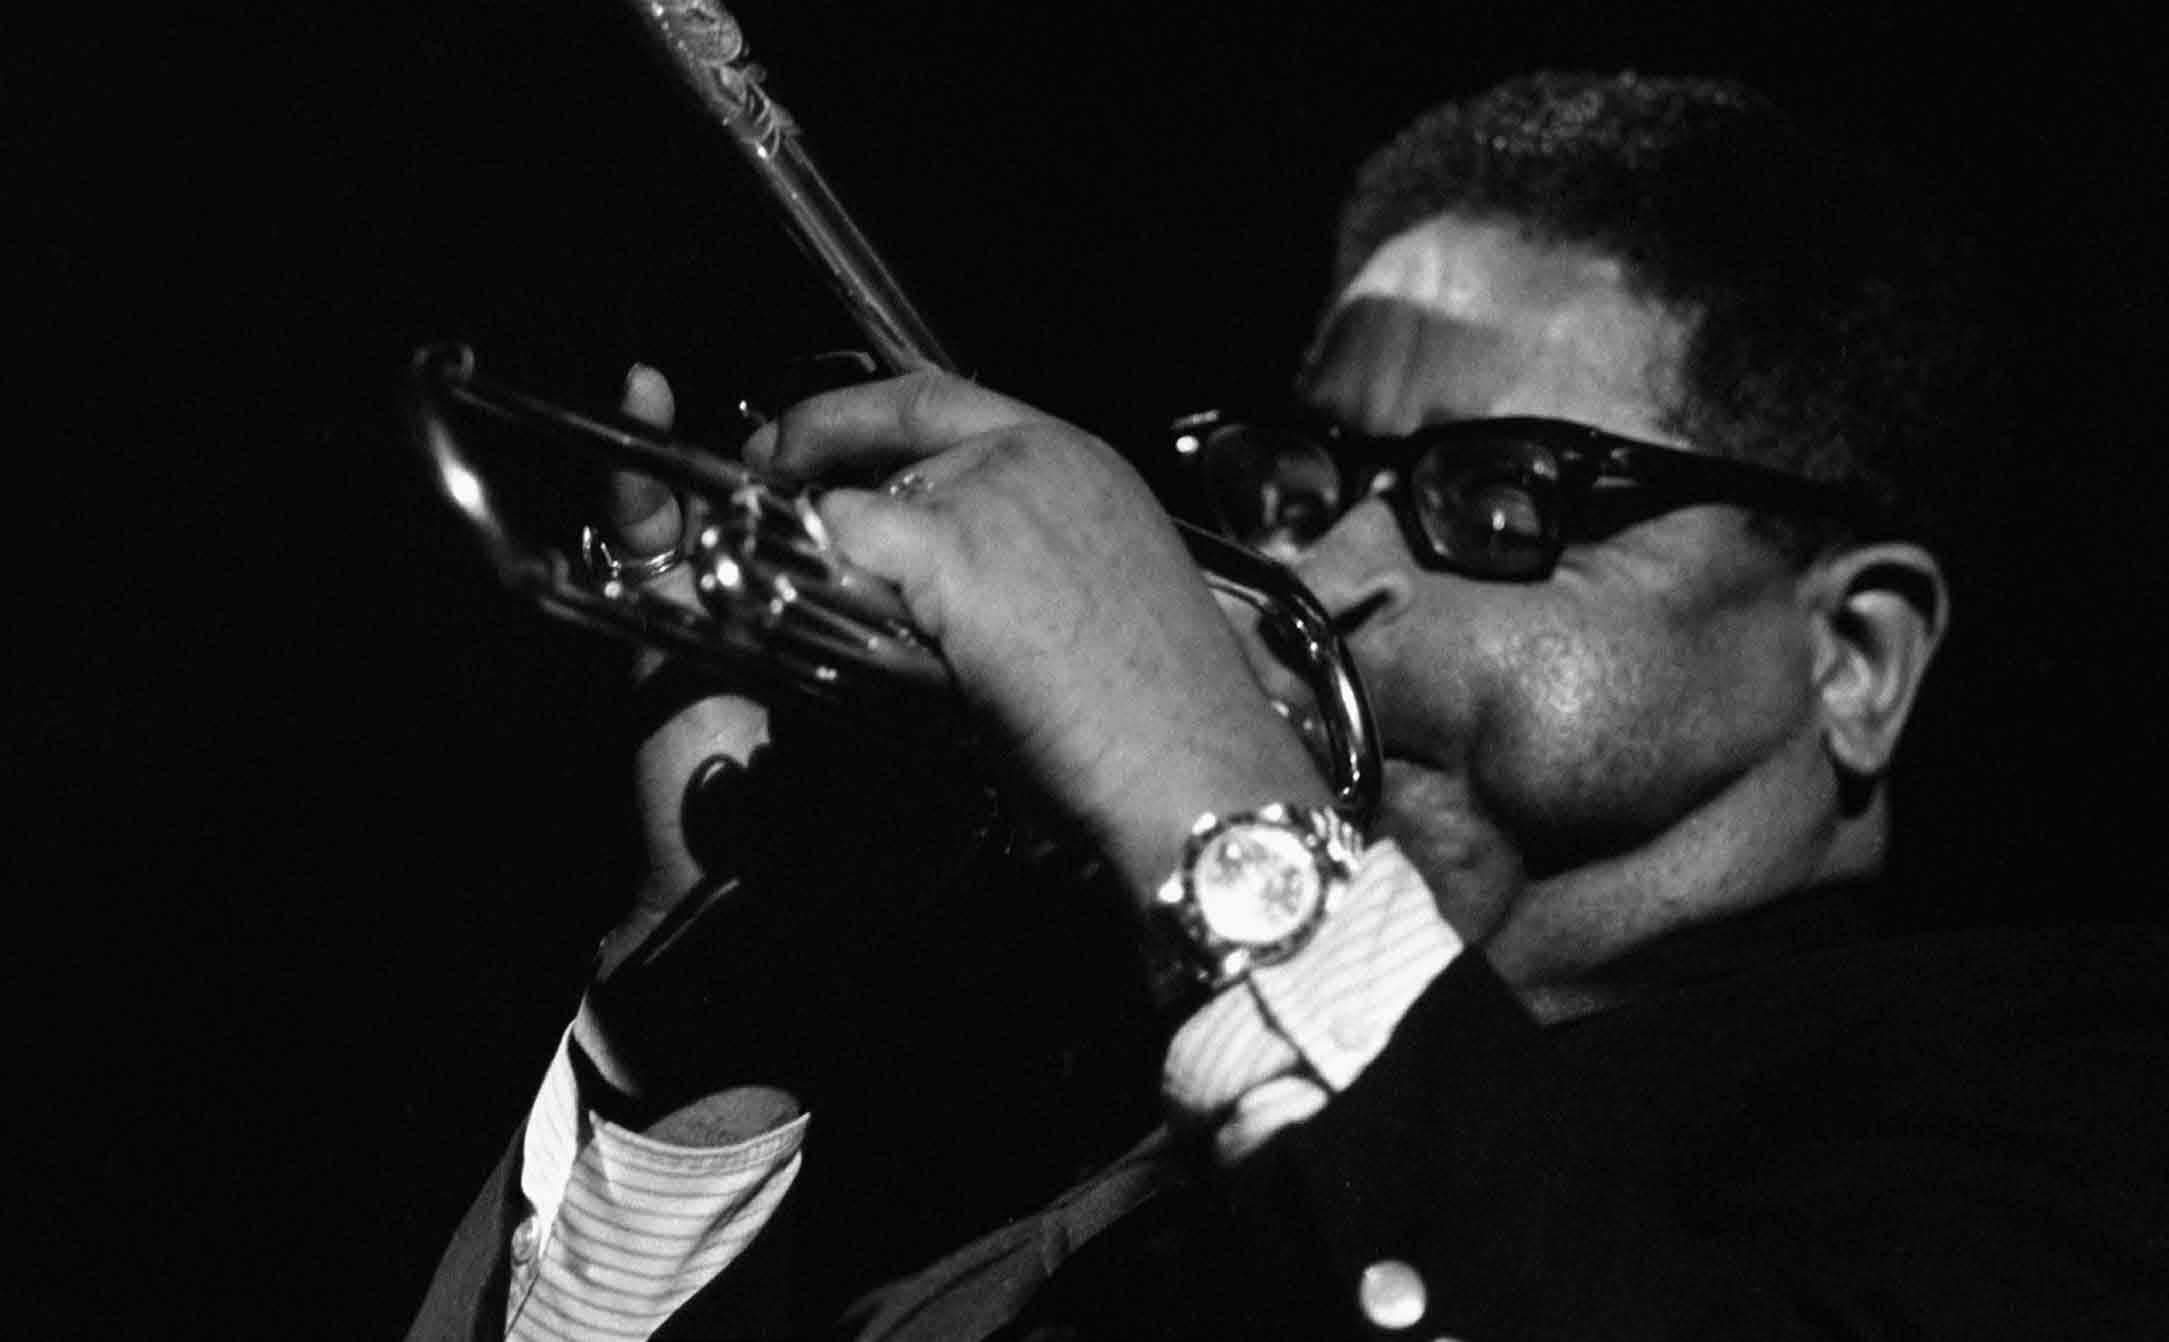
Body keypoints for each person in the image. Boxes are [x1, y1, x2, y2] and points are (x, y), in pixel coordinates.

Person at [410, 72, 2169, 1340]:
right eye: (1297, 485)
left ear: (1854, 655)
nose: (1318, 567)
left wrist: (1195, 780)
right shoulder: (1085, 1176)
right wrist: (709, 1025)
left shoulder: (2068, 1087)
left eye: (1494, 492)